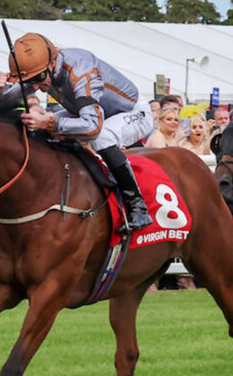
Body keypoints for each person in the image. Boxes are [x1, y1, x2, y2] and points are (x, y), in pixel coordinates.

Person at [8, 32, 154, 231]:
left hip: (132, 112)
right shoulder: (41, 72)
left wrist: (49, 123)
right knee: (36, 125)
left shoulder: (80, 70)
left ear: (52, 64)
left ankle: (137, 206)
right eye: (29, 81)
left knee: (101, 137)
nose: (36, 87)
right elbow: (11, 96)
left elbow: (93, 127)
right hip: (93, 113)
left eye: (39, 79)